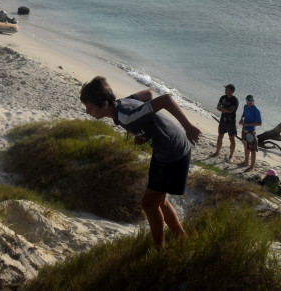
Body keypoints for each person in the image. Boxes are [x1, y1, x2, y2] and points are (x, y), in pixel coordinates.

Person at [80, 76, 202, 249]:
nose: (87, 112)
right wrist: (146, 132)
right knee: (158, 201)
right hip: (168, 147)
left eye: (90, 107)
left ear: (105, 105)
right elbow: (147, 93)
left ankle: (159, 249)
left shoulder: (127, 116)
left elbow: (166, 99)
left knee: (149, 205)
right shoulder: (123, 103)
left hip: (171, 151)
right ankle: (180, 237)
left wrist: (188, 126)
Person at [209, 84, 239, 161]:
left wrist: (222, 108)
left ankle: (231, 155)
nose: (225, 90)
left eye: (227, 89)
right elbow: (218, 106)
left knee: (231, 138)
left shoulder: (234, 100)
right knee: (220, 136)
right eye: (225, 89)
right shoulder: (223, 97)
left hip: (231, 122)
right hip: (223, 121)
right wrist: (222, 109)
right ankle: (217, 152)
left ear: (231, 91)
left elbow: (230, 110)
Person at [238, 94, 262, 172]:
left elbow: (259, 123)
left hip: (251, 132)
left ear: (253, 101)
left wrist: (249, 124)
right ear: (246, 101)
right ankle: (246, 162)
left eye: (251, 102)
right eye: (248, 101)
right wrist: (241, 120)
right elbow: (244, 114)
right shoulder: (245, 106)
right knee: (246, 147)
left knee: (252, 149)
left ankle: (252, 166)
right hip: (244, 130)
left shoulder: (256, 110)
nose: (249, 103)